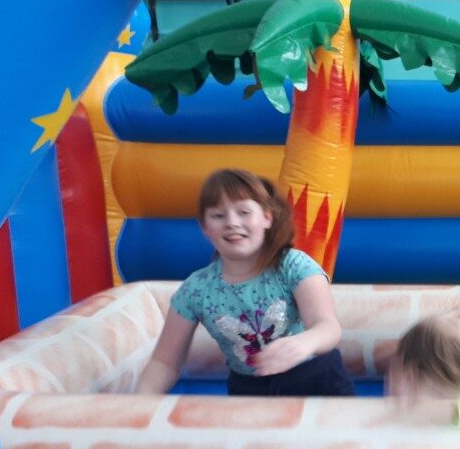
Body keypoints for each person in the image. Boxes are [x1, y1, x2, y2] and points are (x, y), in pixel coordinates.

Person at [135, 169, 354, 397]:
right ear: (205, 228)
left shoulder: (293, 265)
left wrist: (304, 343)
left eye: (244, 212)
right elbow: (164, 362)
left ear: (267, 218)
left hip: (317, 378)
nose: (232, 222)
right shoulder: (196, 290)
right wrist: (142, 400)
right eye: (218, 215)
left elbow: (328, 326)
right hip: (250, 389)